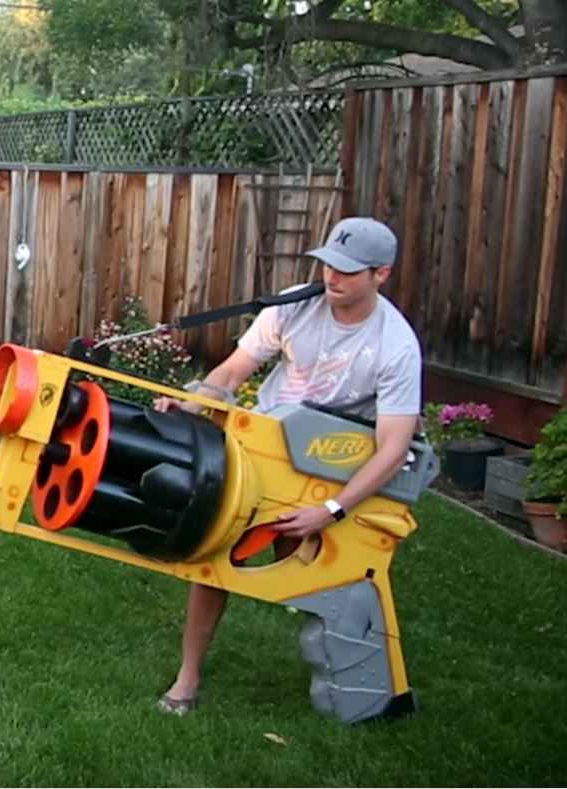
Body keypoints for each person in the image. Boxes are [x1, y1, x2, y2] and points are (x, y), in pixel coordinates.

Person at [150, 216, 424, 716]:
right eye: (327, 266)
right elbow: (235, 370)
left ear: (380, 275)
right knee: (213, 554)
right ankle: (186, 680)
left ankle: (363, 689)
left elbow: (392, 449)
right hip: (267, 448)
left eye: (347, 271)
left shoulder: (396, 346)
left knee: (324, 582)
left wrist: (333, 510)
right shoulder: (297, 304)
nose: (331, 279)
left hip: (331, 472)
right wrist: (189, 404)